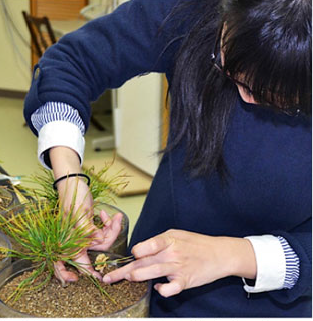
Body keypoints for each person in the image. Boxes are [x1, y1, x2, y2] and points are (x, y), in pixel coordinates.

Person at [23, 0, 311, 317]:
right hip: (154, 275)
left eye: (275, 98)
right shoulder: (193, 10)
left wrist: (235, 254)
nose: (245, 98)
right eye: (231, 71)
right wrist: (69, 179)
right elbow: (72, 63)